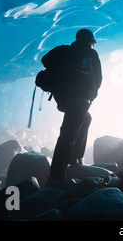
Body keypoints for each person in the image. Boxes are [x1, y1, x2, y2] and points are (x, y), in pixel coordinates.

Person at [42, 29, 102, 186]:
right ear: (90, 40)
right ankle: (56, 176)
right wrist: (91, 96)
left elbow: (45, 61)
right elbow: (98, 78)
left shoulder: (67, 51)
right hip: (82, 99)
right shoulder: (90, 54)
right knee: (67, 136)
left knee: (84, 120)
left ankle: (74, 157)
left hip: (66, 98)